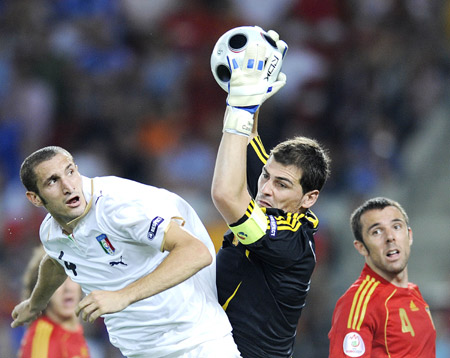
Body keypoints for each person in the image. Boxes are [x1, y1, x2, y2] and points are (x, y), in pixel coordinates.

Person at [10, 146, 242, 358]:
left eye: (70, 172)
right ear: (35, 198)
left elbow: (196, 252)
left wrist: (123, 296)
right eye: (52, 181)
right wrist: (35, 304)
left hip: (198, 343)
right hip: (139, 352)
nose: (68, 186)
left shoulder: (119, 206)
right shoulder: (51, 233)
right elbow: (57, 261)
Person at [211, 33, 331, 357]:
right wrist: (253, 90)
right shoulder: (271, 192)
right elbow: (247, 134)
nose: (265, 188)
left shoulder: (291, 243)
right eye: (266, 175)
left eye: (281, 184)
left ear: (309, 198)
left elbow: (225, 194)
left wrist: (240, 105)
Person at [328, 197, 436, 357]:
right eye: (376, 231)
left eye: (396, 226)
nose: (390, 237)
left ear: (409, 236)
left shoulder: (414, 293)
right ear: (362, 247)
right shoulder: (357, 304)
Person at [17, 245, 90, 358]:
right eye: (58, 280)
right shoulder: (44, 338)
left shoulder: (74, 332)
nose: (67, 288)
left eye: (71, 276)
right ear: (42, 291)